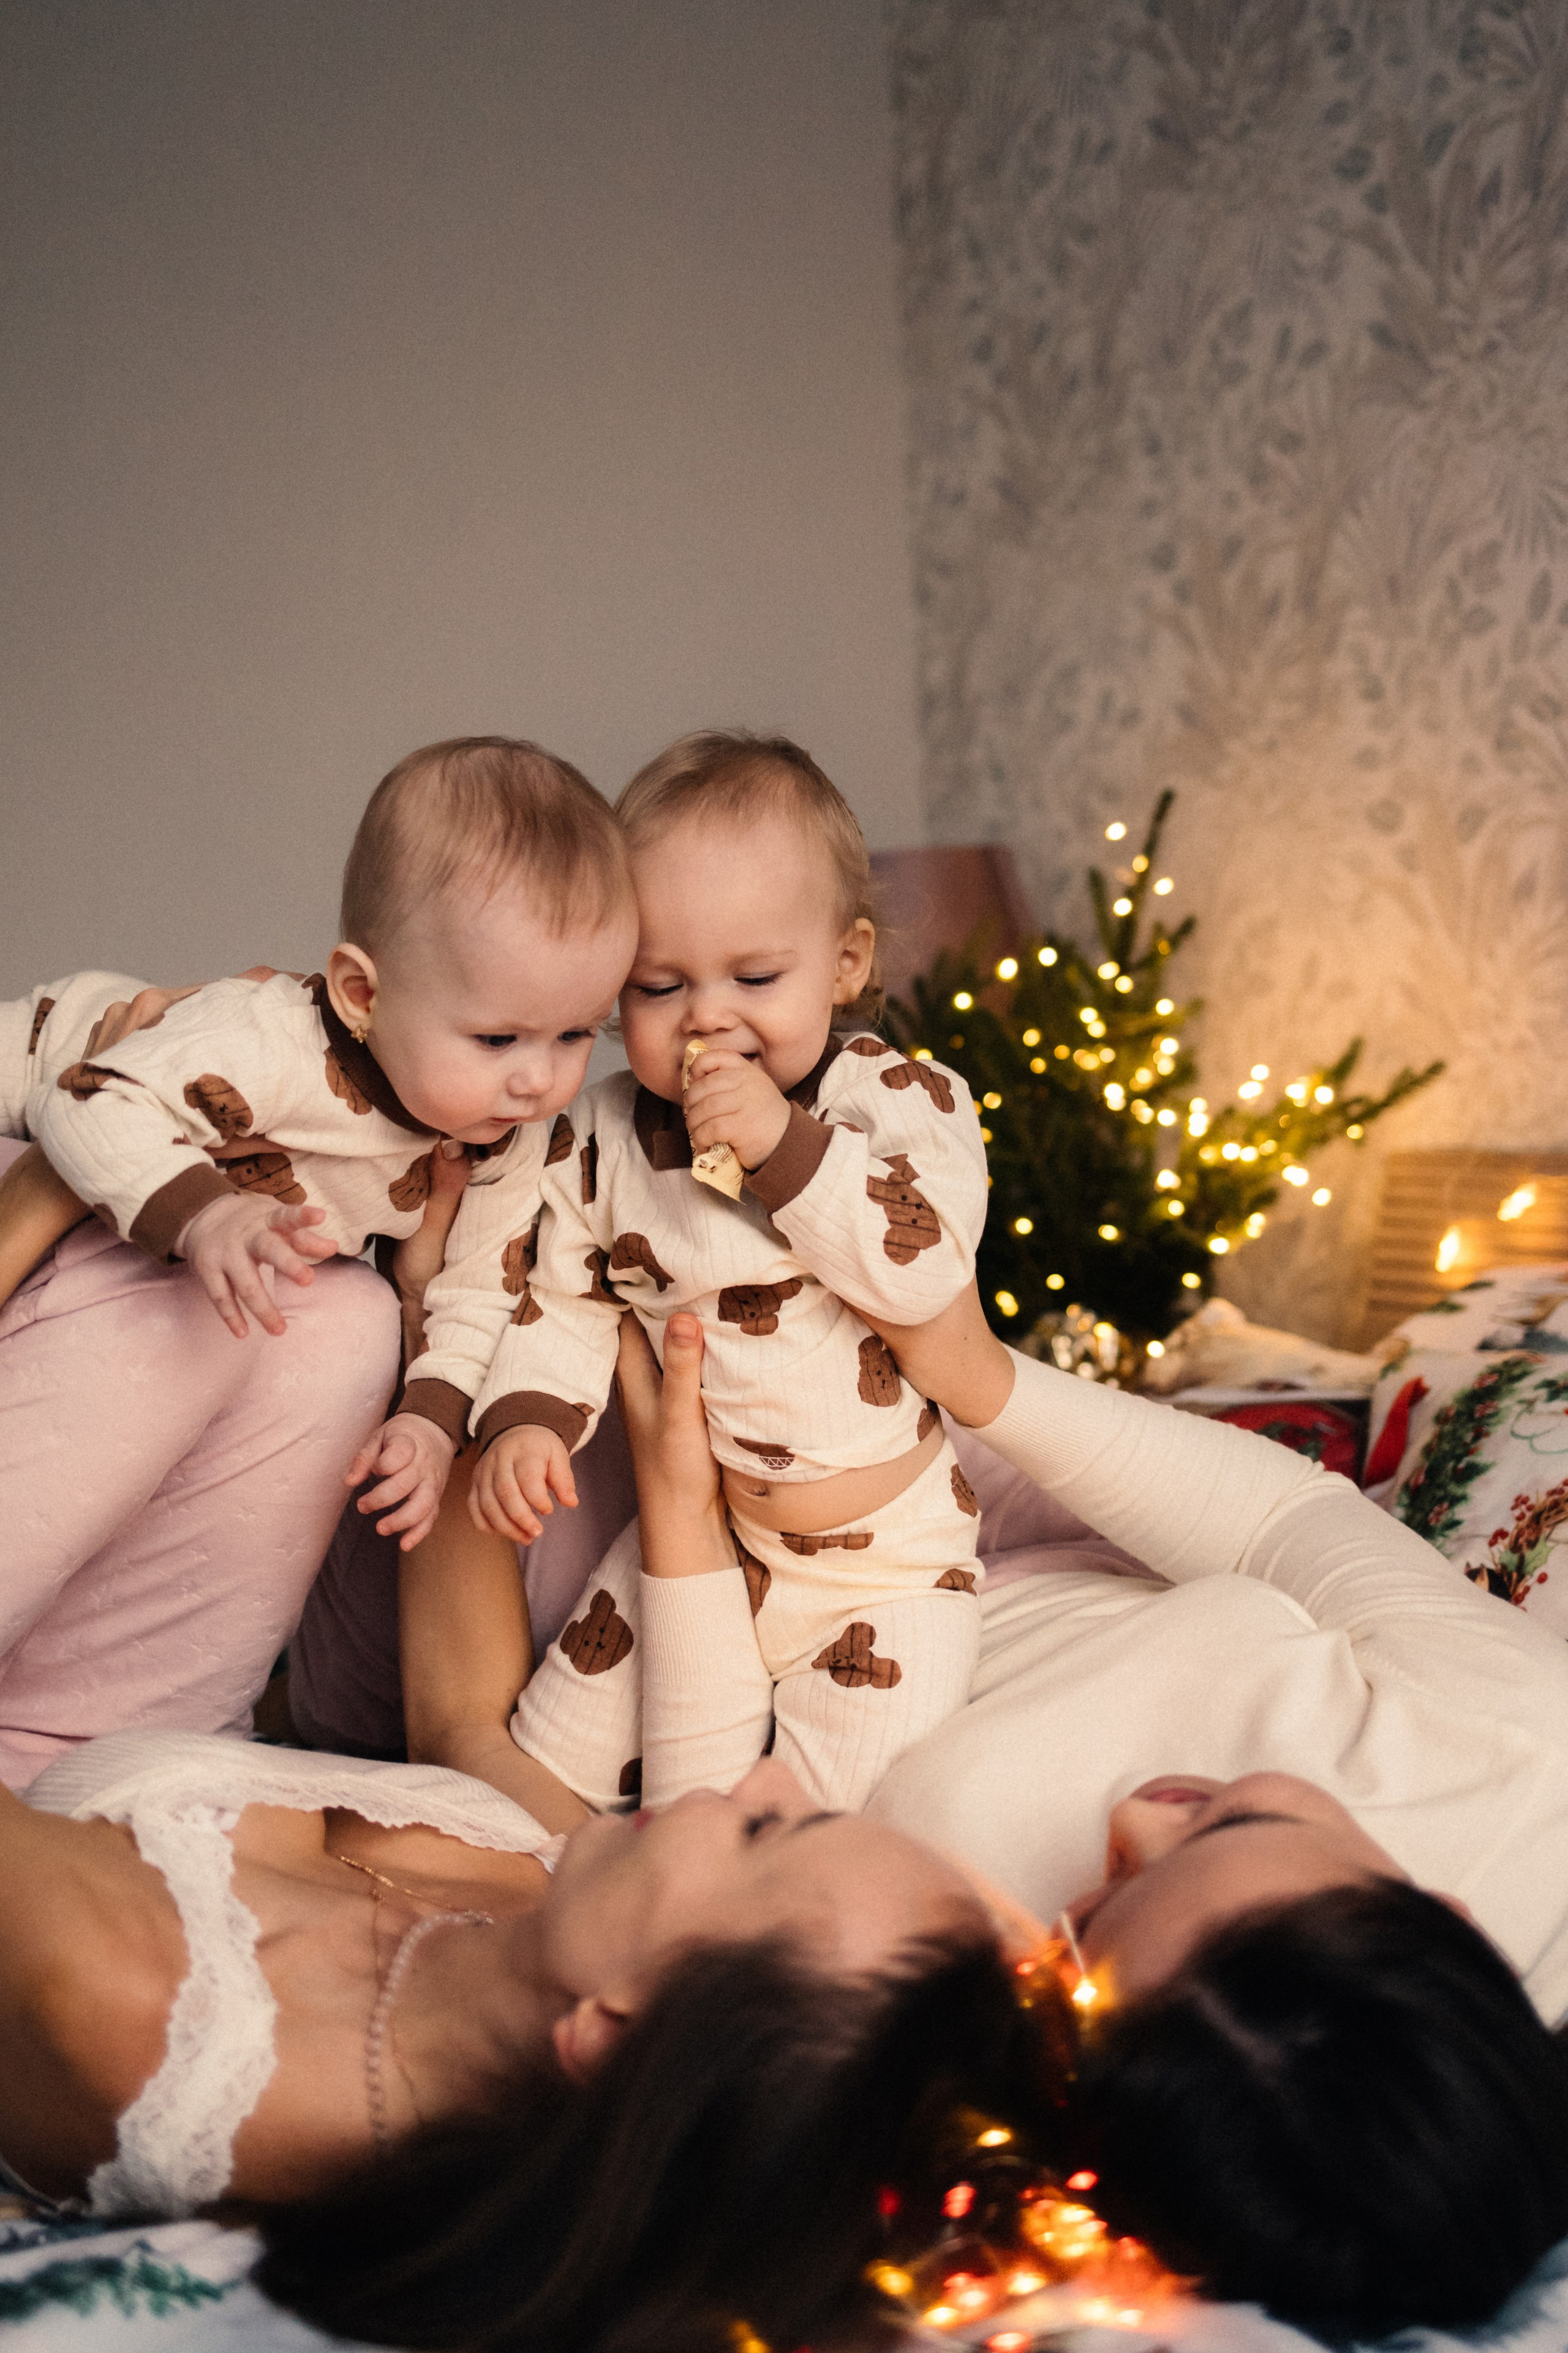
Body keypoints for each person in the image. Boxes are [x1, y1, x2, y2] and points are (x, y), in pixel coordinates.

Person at [1, 1313, 1068, 2353]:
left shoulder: (129, 2000)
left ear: (612, 2030)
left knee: (215, 1313)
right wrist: (462, 1326)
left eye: (762, 1836)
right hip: (136, 1694)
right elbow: (462, 1723)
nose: (768, 1775)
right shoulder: (560, 1928)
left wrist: (28, 1222)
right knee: (339, 1322)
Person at [426, 731, 991, 1814]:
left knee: (816, 1828)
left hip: (887, 1573)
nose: (706, 1016)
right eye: (659, 985)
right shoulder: (602, 1134)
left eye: (755, 977)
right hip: (703, 1539)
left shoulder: (894, 1098)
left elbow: (923, 1270)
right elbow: (564, 1293)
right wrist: (527, 1420)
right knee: (540, 1781)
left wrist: (782, 1144)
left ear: (846, 963)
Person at [11, 736, 635, 1554]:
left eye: (576, 1034)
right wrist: (208, 1216)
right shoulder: (273, 1041)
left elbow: (485, 1284)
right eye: (496, 1039)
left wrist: (429, 1418)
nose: (541, 1081)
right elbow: (90, 1098)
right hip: (34, 1083)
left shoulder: (507, 1135)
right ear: (361, 995)